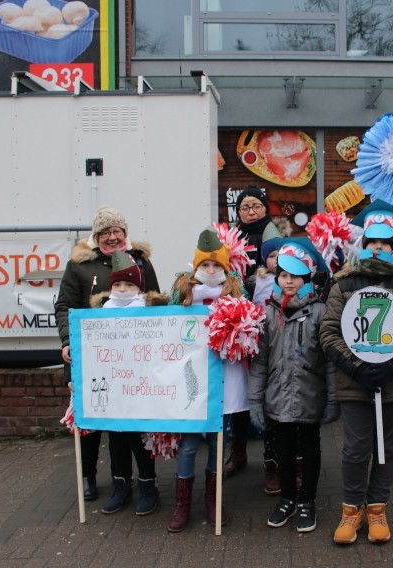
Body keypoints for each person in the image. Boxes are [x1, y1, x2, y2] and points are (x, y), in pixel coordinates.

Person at [319, 200, 393, 545]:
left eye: (386, 243)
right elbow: (328, 333)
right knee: (355, 449)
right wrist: (357, 367)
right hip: (356, 384)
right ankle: (351, 510)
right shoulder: (344, 284)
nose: (379, 248)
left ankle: (377, 509)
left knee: (387, 449)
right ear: (363, 244)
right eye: (372, 242)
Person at [54, 205, 159, 502]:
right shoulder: (79, 265)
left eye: (118, 231)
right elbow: (64, 306)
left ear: (125, 233)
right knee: (89, 421)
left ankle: (137, 481)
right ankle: (87, 476)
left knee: (130, 423)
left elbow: (154, 302)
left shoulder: (140, 260)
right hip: (89, 356)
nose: (112, 236)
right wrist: (67, 341)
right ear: (97, 234)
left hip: (131, 359)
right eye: (106, 231)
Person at [248, 238, 339, 533]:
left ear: (307, 278)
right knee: (283, 451)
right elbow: (260, 361)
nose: (288, 282)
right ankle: (287, 497)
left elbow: (330, 361)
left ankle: (307, 501)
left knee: (310, 449)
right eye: (284, 276)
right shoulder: (267, 313)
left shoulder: (320, 312)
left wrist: (333, 398)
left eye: (295, 276)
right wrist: (254, 400)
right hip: (277, 396)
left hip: (310, 395)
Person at [166, 228, 246, 532]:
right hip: (190, 376)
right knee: (188, 444)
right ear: (196, 266)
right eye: (206, 265)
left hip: (221, 377)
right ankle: (181, 503)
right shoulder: (183, 290)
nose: (211, 271)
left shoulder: (235, 291)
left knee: (217, 439)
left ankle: (213, 499)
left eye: (217, 266)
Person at [89, 250, 162, 515]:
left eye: (129, 284)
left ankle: (148, 486)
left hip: (140, 388)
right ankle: (121, 486)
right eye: (118, 284)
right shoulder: (99, 314)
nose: (122, 289)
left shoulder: (149, 311)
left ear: (139, 286)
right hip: (113, 389)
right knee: (116, 440)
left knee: (140, 440)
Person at [227, 185, 282, 479]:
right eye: (245, 207)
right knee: (239, 395)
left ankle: (272, 461)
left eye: (255, 206)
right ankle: (238, 452)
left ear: (264, 208)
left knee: (268, 395)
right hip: (238, 329)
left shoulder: (274, 234)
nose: (250, 212)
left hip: (268, 328)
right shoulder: (232, 238)